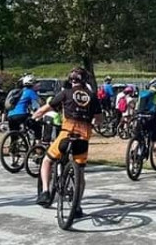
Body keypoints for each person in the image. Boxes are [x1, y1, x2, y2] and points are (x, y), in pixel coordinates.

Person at [31, 67, 103, 210]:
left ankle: (45, 192)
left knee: (47, 160)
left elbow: (44, 109)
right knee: (80, 173)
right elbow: (99, 119)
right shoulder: (92, 96)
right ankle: (77, 206)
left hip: (66, 133)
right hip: (83, 137)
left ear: (71, 80)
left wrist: (34, 117)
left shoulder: (66, 93)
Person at [135, 80, 156, 175]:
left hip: (140, 117)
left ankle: (133, 156)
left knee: (137, 139)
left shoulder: (142, 93)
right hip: (151, 119)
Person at [6, 74, 42, 140]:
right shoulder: (30, 91)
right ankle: (38, 147)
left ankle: (13, 148)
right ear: (33, 83)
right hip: (21, 114)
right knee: (37, 127)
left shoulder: (19, 91)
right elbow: (40, 103)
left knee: (14, 134)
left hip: (10, 115)